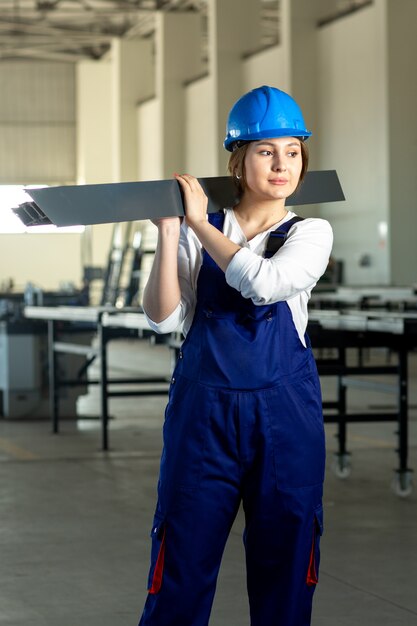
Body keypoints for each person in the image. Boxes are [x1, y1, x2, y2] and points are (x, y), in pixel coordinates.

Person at [138, 85, 333, 626]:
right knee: (180, 563)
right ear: (238, 158)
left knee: (286, 568)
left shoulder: (311, 232)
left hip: (286, 421)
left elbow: (264, 285)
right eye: (266, 150)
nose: (281, 164)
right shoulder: (196, 229)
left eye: (292, 152)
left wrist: (200, 225)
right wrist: (169, 234)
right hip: (204, 419)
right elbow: (163, 316)